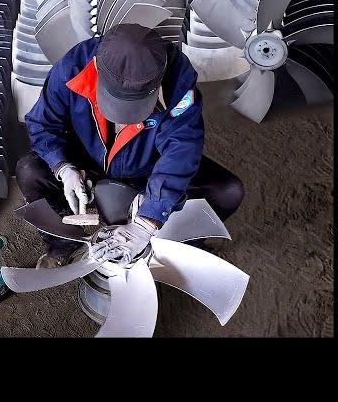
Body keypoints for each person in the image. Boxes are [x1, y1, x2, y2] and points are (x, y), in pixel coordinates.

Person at [16, 23, 245, 268]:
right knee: (30, 170)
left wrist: (147, 221)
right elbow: (42, 123)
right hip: (87, 161)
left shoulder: (179, 82)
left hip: (149, 170)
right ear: (97, 70)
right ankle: (63, 246)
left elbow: (181, 151)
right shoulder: (73, 67)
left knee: (227, 191)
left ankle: (173, 249)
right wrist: (63, 167)